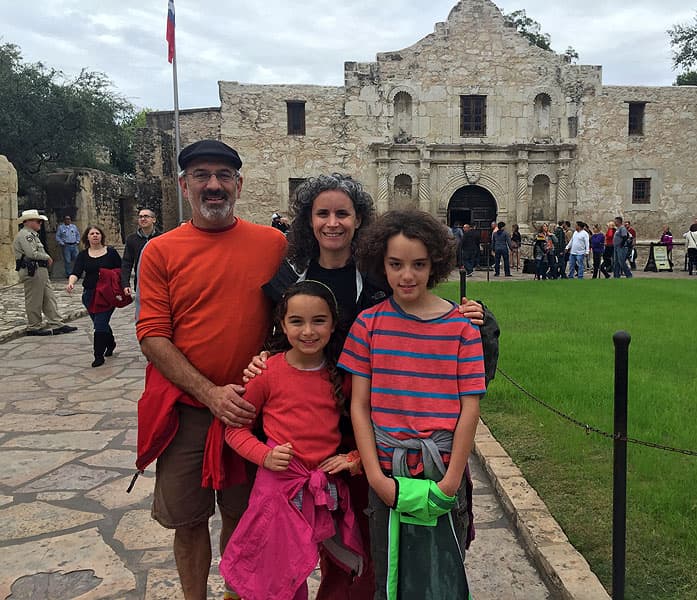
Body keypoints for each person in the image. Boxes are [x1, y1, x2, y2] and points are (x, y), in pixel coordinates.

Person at [243, 173, 486, 599]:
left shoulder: (378, 282)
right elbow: (276, 335)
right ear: (308, 220)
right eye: (323, 213)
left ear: (359, 220)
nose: (332, 222)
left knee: (365, 555)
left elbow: (458, 373)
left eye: (343, 213)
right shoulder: (293, 276)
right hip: (308, 434)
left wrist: (482, 320)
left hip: (372, 440)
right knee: (291, 552)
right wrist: (261, 361)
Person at [134, 139, 287, 600]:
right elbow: (152, 334)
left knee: (245, 516)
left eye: (223, 176)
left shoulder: (273, 244)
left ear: (239, 185)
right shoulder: (160, 251)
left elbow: (295, 314)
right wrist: (209, 393)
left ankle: (236, 593)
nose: (213, 185)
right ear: (184, 185)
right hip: (188, 412)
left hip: (250, 412)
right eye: (201, 176)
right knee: (189, 519)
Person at [338, 209, 485, 600]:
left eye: (418, 264)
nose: (407, 275)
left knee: (443, 571)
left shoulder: (461, 330)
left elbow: (470, 408)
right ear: (380, 265)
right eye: (396, 264)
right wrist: (374, 477)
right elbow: (360, 406)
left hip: (441, 465)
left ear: (434, 264)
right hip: (387, 468)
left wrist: (451, 481)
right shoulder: (368, 325)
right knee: (391, 572)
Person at [220, 281, 365, 600]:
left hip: (325, 491)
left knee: (340, 569)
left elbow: (365, 424)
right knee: (280, 575)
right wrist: (264, 456)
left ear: (333, 324)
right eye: (297, 321)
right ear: (282, 325)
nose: (308, 331)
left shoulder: (341, 375)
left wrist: (353, 458)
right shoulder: (266, 373)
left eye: (319, 321)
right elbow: (234, 430)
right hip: (278, 492)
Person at [12, 209, 78, 337]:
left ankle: (56, 323)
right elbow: (31, 253)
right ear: (28, 222)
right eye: (38, 221)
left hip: (39, 270)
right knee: (34, 299)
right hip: (32, 269)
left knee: (49, 297)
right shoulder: (25, 235)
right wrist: (46, 257)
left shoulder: (31, 235)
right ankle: (34, 326)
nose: (40, 224)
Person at [66, 226, 123, 367]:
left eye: (97, 233)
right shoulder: (83, 255)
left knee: (100, 323)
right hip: (89, 295)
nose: (95, 236)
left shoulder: (111, 253)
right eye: (92, 234)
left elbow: (121, 270)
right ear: (87, 237)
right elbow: (76, 272)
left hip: (107, 294)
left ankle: (98, 356)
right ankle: (110, 342)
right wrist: (71, 283)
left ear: (101, 236)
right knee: (99, 323)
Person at [121, 207, 160, 296]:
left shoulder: (162, 238)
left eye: (146, 216)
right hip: (141, 283)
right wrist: (125, 283)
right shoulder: (131, 239)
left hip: (159, 282)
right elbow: (127, 262)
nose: (143, 219)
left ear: (153, 220)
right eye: (140, 217)